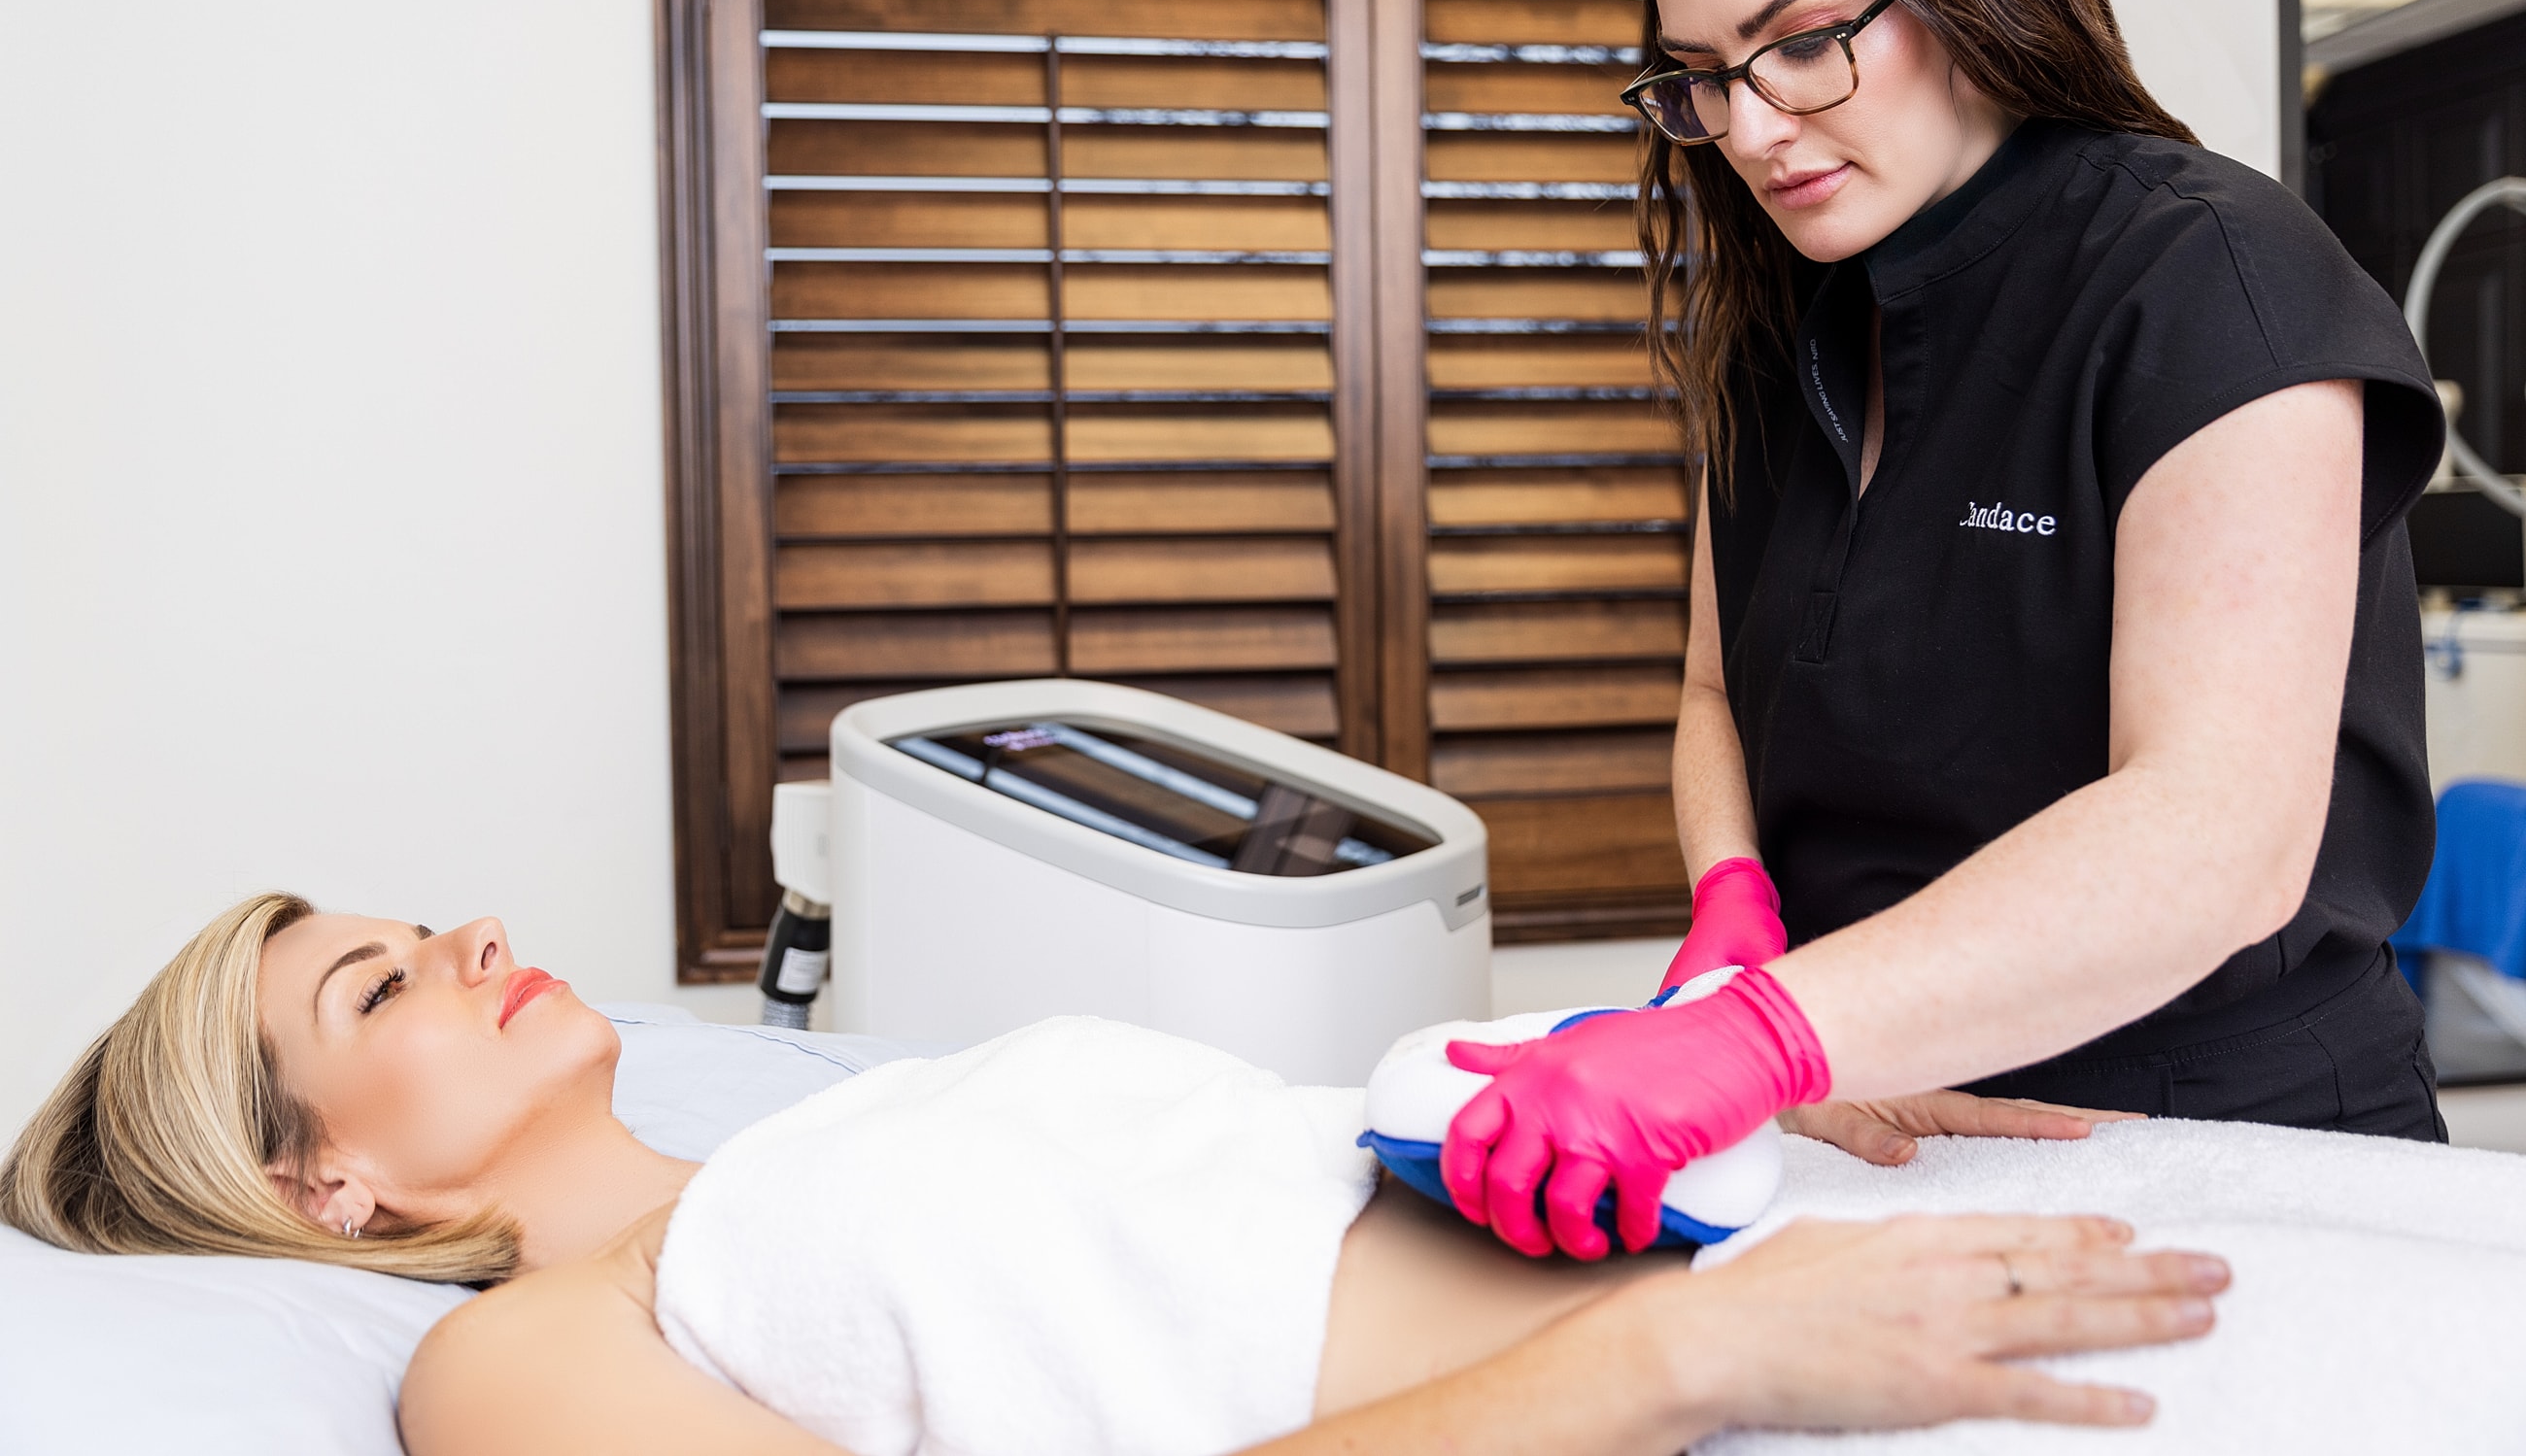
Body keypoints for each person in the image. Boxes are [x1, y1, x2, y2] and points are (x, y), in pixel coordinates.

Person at [1441, 0, 2449, 1266]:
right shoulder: (1791, 320)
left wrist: (1767, 1037)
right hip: (1877, 1124)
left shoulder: (2215, 282)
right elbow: (1721, 691)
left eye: (1803, 41)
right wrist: (1737, 902)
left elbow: (2214, 837)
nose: (1754, 126)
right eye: (1703, 75)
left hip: (2219, 1139)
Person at [2, 896, 2226, 1454]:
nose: (470, 940)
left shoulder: (816, 1128)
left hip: (1817, 1256)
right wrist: (1680, 1349)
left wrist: (1714, 1097)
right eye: (383, 988)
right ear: (324, 1195)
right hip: (1752, 1388)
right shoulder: (518, 1359)